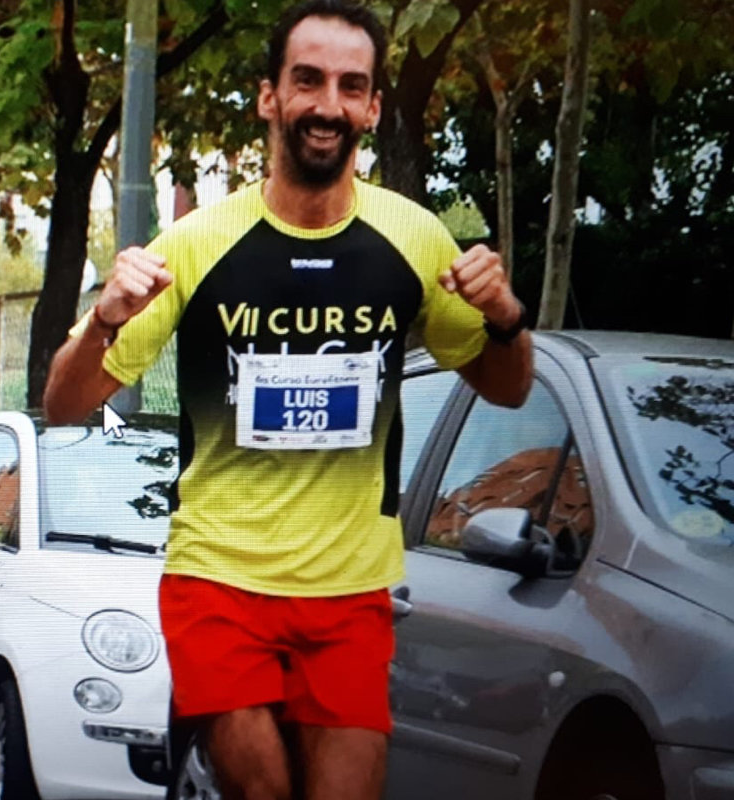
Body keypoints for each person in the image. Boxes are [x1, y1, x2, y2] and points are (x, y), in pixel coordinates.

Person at [44, 1, 533, 797]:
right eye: (308, 80)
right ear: (269, 97)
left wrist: (507, 318)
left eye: (350, 86)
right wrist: (103, 320)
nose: (328, 105)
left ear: (372, 107)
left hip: (350, 591)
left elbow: (507, 389)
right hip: (218, 580)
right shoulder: (196, 244)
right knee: (264, 790)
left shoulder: (414, 239)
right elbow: (63, 405)